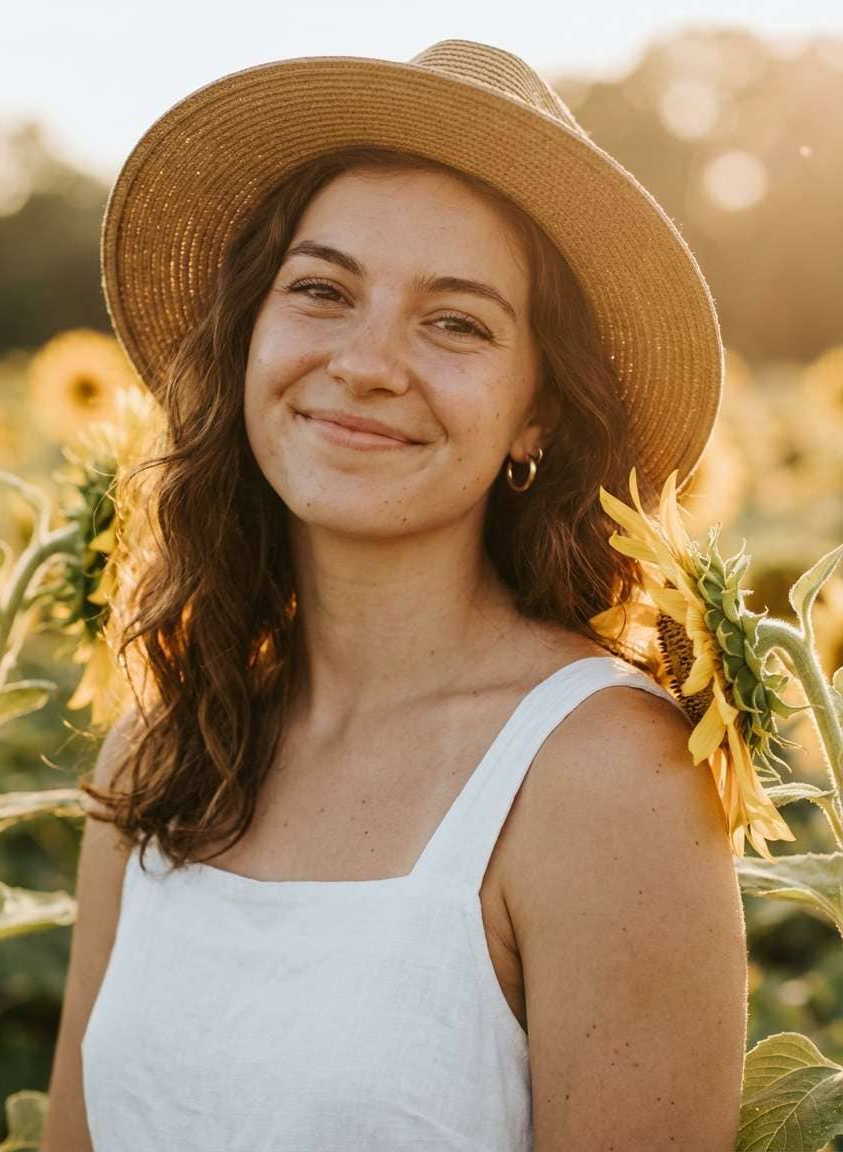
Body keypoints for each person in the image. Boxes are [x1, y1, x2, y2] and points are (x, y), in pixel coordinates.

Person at [42, 39, 747, 1152]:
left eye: (455, 321)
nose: (366, 363)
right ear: (247, 340)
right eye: (321, 290)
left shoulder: (607, 779)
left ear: (536, 414)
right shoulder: (159, 747)